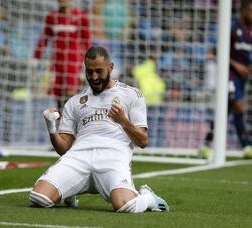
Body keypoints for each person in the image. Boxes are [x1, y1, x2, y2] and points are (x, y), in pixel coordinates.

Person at [29, 46, 169, 213]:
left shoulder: (132, 95)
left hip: (113, 155)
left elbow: (143, 141)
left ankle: (148, 198)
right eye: (89, 72)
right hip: (79, 156)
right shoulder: (74, 101)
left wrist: (123, 121)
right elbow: (64, 148)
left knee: (126, 205)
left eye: (99, 71)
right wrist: (51, 128)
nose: (94, 77)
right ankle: (67, 192)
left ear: (111, 67)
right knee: (39, 198)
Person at [199, 0, 252, 159]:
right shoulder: (232, 28)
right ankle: (246, 146)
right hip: (228, 75)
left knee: (225, 111)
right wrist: (236, 65)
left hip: (242, 78)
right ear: (244, 11)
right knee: (239, 106)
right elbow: (217, 50)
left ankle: (205, 145)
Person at [33, 0, 91, 109]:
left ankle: (72, 122)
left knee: (71, 96)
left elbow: (87, 41)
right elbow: (44, 39)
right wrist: (36, 58)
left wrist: (87, 64)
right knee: (58, 98)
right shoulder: (52, 17)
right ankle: (61, 123)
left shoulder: (81, 16)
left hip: (73, 63)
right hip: (57, 64)